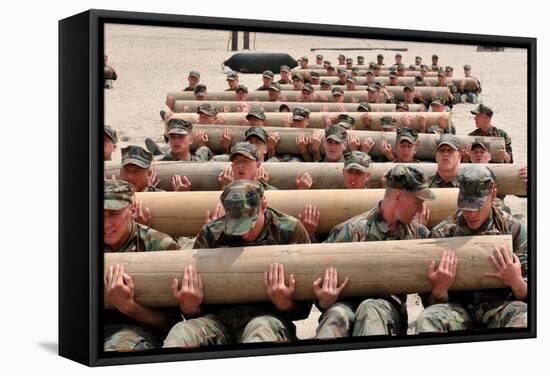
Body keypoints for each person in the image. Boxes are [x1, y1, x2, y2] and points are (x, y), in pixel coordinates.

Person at [162, 180, 312, 347]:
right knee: (181, 332)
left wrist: (286, 304)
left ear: (264, 204)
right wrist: (190, 309)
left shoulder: (289, 231)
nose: (245, 232)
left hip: (267, 318)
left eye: (250, 222)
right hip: (219, 321)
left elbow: (304, 310)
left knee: (260, 332)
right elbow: (195, 307)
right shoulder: (212, 233)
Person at [314, 165, 435, 338]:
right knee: (336, 314)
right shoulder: (352, 231)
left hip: (386, 310)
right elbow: (319, 281)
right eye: (417, 202)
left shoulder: (418, 234)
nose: (422, 210)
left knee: (370, 309)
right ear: (399, 197)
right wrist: (324, 301)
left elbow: (429, 297)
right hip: (347, 305)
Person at [416, 165, 527, 333]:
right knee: (428, 319)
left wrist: (516, 282)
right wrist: (440, 291)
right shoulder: (442, 234)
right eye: (466, 206)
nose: (471, 214)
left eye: (478, 206)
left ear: (493, 195)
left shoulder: (514, 230)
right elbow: (429, 302)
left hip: (500, 308)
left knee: (525, 317)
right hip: (458, 311)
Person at [103, 180, 180, 351]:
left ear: (131, 209)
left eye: (113, 213)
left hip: (134, 332)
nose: (105, 223)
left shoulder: (161, 246)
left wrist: (128, 307)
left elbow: (169, 324)